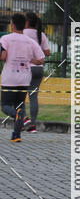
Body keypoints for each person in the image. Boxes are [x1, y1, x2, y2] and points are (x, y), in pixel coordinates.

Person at [1, 13, 45, 142]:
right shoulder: (30, 41)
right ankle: (16, 135)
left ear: (12, 25)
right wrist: (28, 59)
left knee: (5, 106)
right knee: (19, 105)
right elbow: (41, 59)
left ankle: (19, 116)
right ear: (23, 25)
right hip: (25, 78)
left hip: (10, 78)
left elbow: (3, 57)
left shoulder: (5, 38)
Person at [23, 12, 51, 132]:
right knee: (33, 97)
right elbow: (48, 52)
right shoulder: (42, 35)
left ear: (27, 22)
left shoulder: (22, 33)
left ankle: (24, 121)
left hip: (25, 69)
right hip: (38, 69)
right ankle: (33, 125)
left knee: (20, 98)